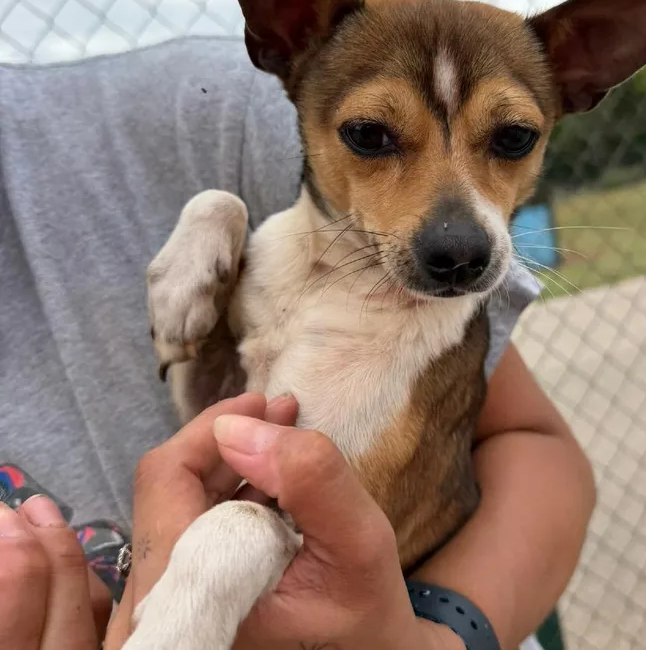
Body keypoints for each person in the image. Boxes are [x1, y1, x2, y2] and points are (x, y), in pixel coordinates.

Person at [0, 37, 596, 648]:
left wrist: (435, 636)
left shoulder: (235, 103)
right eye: (371, 138)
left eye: (511, 139)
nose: (454, 239)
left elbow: (531, 447)